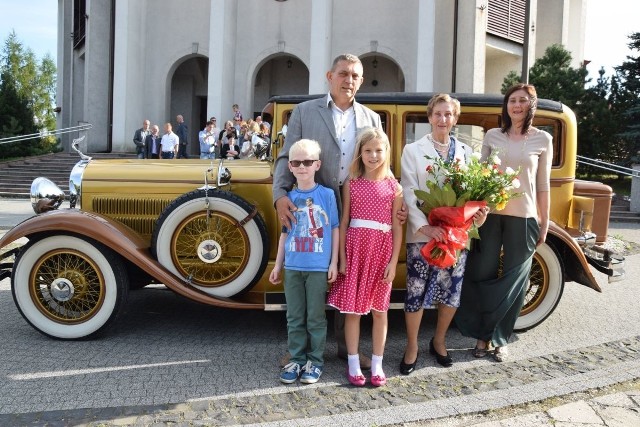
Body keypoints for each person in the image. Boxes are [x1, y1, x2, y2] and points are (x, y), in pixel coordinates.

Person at [272, 53, 388, 370]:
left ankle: (345, 349)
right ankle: (303, 350)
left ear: (361, 81)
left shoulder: (371, 118)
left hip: (358, 207)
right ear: (329, 76)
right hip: (313, 203)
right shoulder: (304, 112)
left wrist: (395, 203)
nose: (348, 80)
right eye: (343, 74)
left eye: (355, 76)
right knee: (311, 274)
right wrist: (280, 194)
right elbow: (286, 157)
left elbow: (382, 163)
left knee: (346, 276)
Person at [455, 83, 552, 362]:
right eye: (512, 100)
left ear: (531, 105)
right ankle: (481, 336)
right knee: (480, 274)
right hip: (490, 216)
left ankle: (500, 338)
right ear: (506, 105)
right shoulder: (492, 135)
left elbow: (543, 185)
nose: (517, 105)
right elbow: (480, 177)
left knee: (514, 281)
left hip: (524, 218)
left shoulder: (542, 139)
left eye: (523, 100)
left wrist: (544, 222)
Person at [399, 94, 488, 373]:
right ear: (429, 117)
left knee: (451, 292)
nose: (443, 119)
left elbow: (472, 194)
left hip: (456, 237)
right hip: (423, 235)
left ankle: (438, 341)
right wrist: (426, 227)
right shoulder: (412, 150)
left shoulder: (466, 152)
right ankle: (412, 346)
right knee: (416, 291)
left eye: (448, 114)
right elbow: (409, 191)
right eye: (438, 114)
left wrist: (478, 216)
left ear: (455, 118)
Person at [327, 127, 403, 387]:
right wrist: (342, 258)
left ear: (387, 152)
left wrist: (393, 262)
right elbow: (345, 220)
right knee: (354, 311)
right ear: (360, 153)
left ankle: (378, 365)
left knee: (380, 311)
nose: (373, 155)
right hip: (356, 250)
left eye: (378, 150)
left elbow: (397, 226)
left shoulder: (394, 186)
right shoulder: (352, 183)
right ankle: (353, 363)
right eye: (368, 151)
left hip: (381, 252)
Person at [269, 138, 339, 385]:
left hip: (318, 267)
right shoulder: (288, 198)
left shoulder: (327, 195)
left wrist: (333, 262)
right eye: (296, 162)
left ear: (317, 164)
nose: (302, 167)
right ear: (289, 166)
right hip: (293, 266)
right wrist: (278, 265)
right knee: (295, 316)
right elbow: (284, 233)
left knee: (315, 317)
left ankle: (315, 361)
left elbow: (334, 228)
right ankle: (297, 359)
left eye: (307, 162)